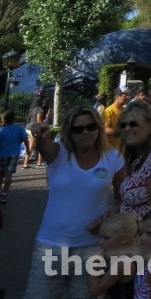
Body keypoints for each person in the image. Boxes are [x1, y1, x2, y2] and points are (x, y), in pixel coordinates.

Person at [23, 105, 126, 299]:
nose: (85, 132)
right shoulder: (58, 153)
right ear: (70, 132)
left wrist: (107, 217)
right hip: (50, 245)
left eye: (91, 126)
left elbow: (124, 197)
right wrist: (40, 129)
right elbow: (44, 142)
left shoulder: (113, 157)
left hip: (92, 247)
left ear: (99, 128)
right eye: (78, 128)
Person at [86, 213, 139, 299]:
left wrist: (93, 263)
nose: (101, 242)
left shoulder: (124, 262)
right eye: (100, 237)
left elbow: (93, 290)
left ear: (124, 239)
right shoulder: (118, 257)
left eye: (106, 238)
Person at [0, 110, 29, 203]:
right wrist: (28, 149)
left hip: (1, 154)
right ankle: (4, 194)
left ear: (3, 119)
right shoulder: (19, 129)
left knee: (1, 174)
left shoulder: (2, 130)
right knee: (9, 174)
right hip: (13, 154)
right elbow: (26, 140)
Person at [23, 91, 51, 169]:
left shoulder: (32, 108)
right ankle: (39, 163)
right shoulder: (40, 109)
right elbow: (39, 121)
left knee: (30, 146)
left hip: (28, 127)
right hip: (34, 128)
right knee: (40, 145)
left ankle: (26, 163)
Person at [104, 87, 131, 151]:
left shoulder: (124, 110)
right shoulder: (108, 111)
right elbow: (103, 129)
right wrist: (117, 131)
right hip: (112, 149)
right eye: (125, 96)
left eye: (128, 96)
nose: (127, 98)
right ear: (117, 97)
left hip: (123, 149)